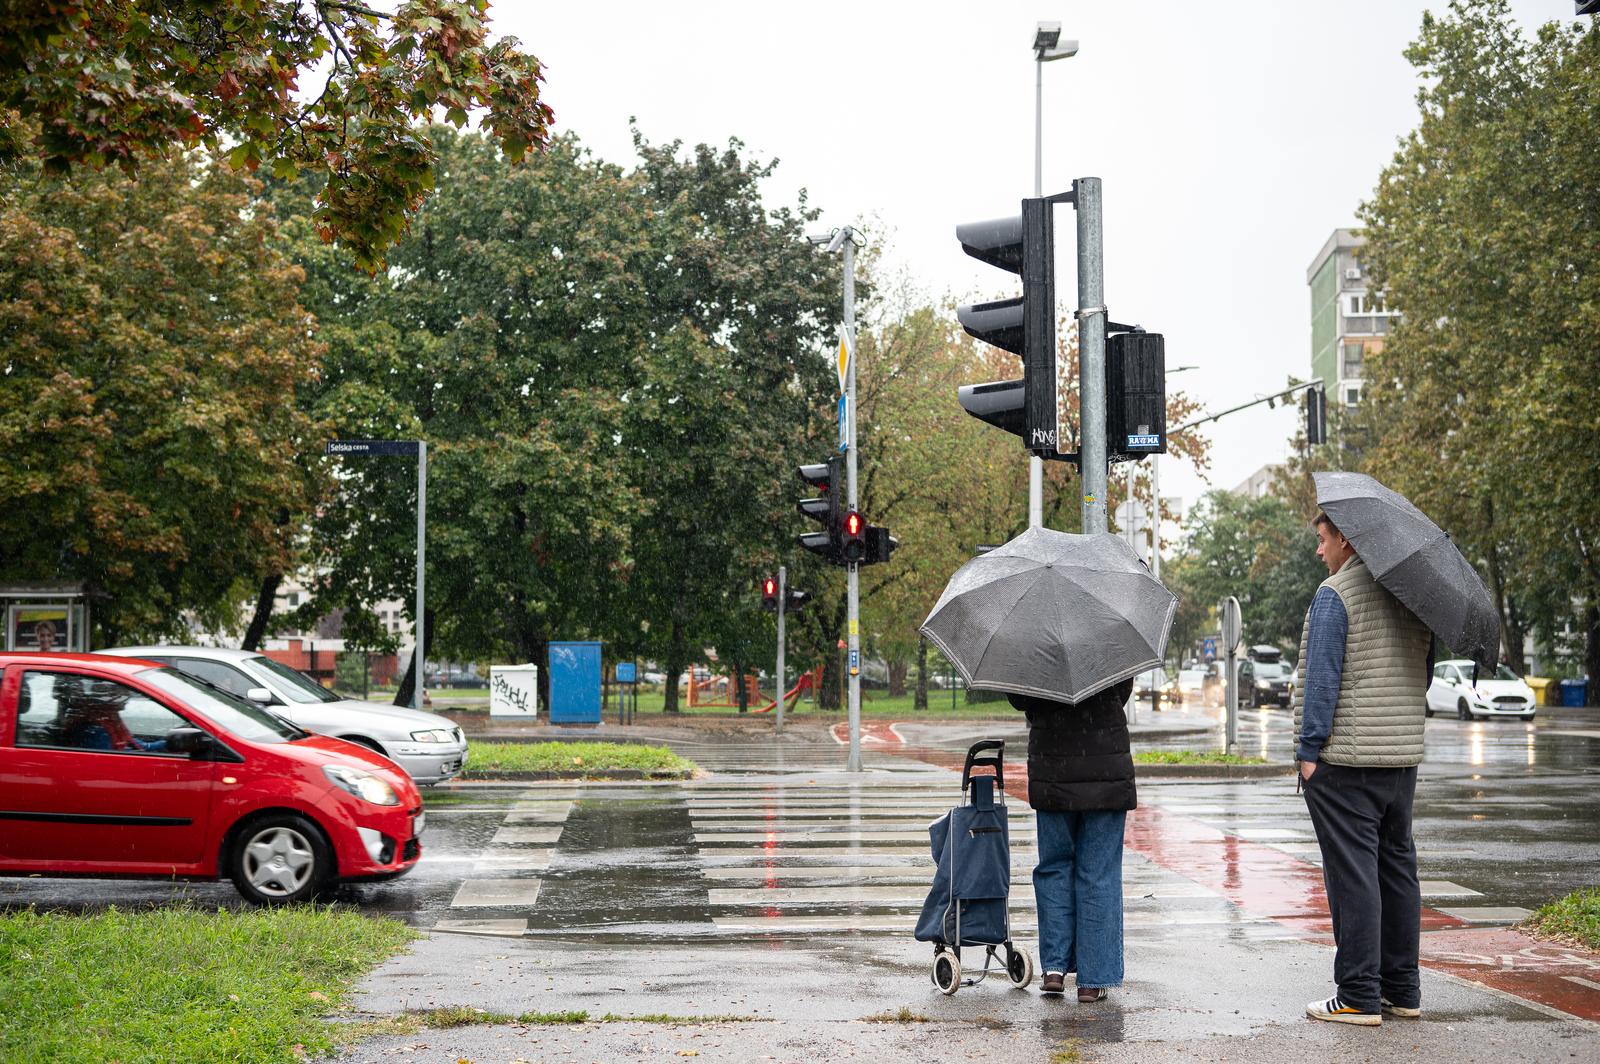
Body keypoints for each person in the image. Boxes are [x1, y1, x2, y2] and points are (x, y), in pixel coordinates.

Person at [1293, 511, 1433, 1026]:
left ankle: (1357, 994)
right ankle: (1402, 990)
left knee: (1353, 876)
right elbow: (1424, 675)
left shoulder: (1336, 595)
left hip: (1347, 761)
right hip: (1400, 759)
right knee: (1396, 871)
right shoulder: (1414, 597)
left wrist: (1308, 752)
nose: (1319, 550)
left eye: (1323, 539)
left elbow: (1321, 680)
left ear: (1346, 540)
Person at [1009, 677, 1136, 1002]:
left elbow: (1021, 699)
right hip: (1106, 767)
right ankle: (1092, 981)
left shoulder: (1033, 648)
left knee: (1054, 868)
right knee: (1099, 875)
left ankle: (1054, 969)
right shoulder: (1110, 645)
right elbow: (1122, 690)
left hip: (1053, 769)